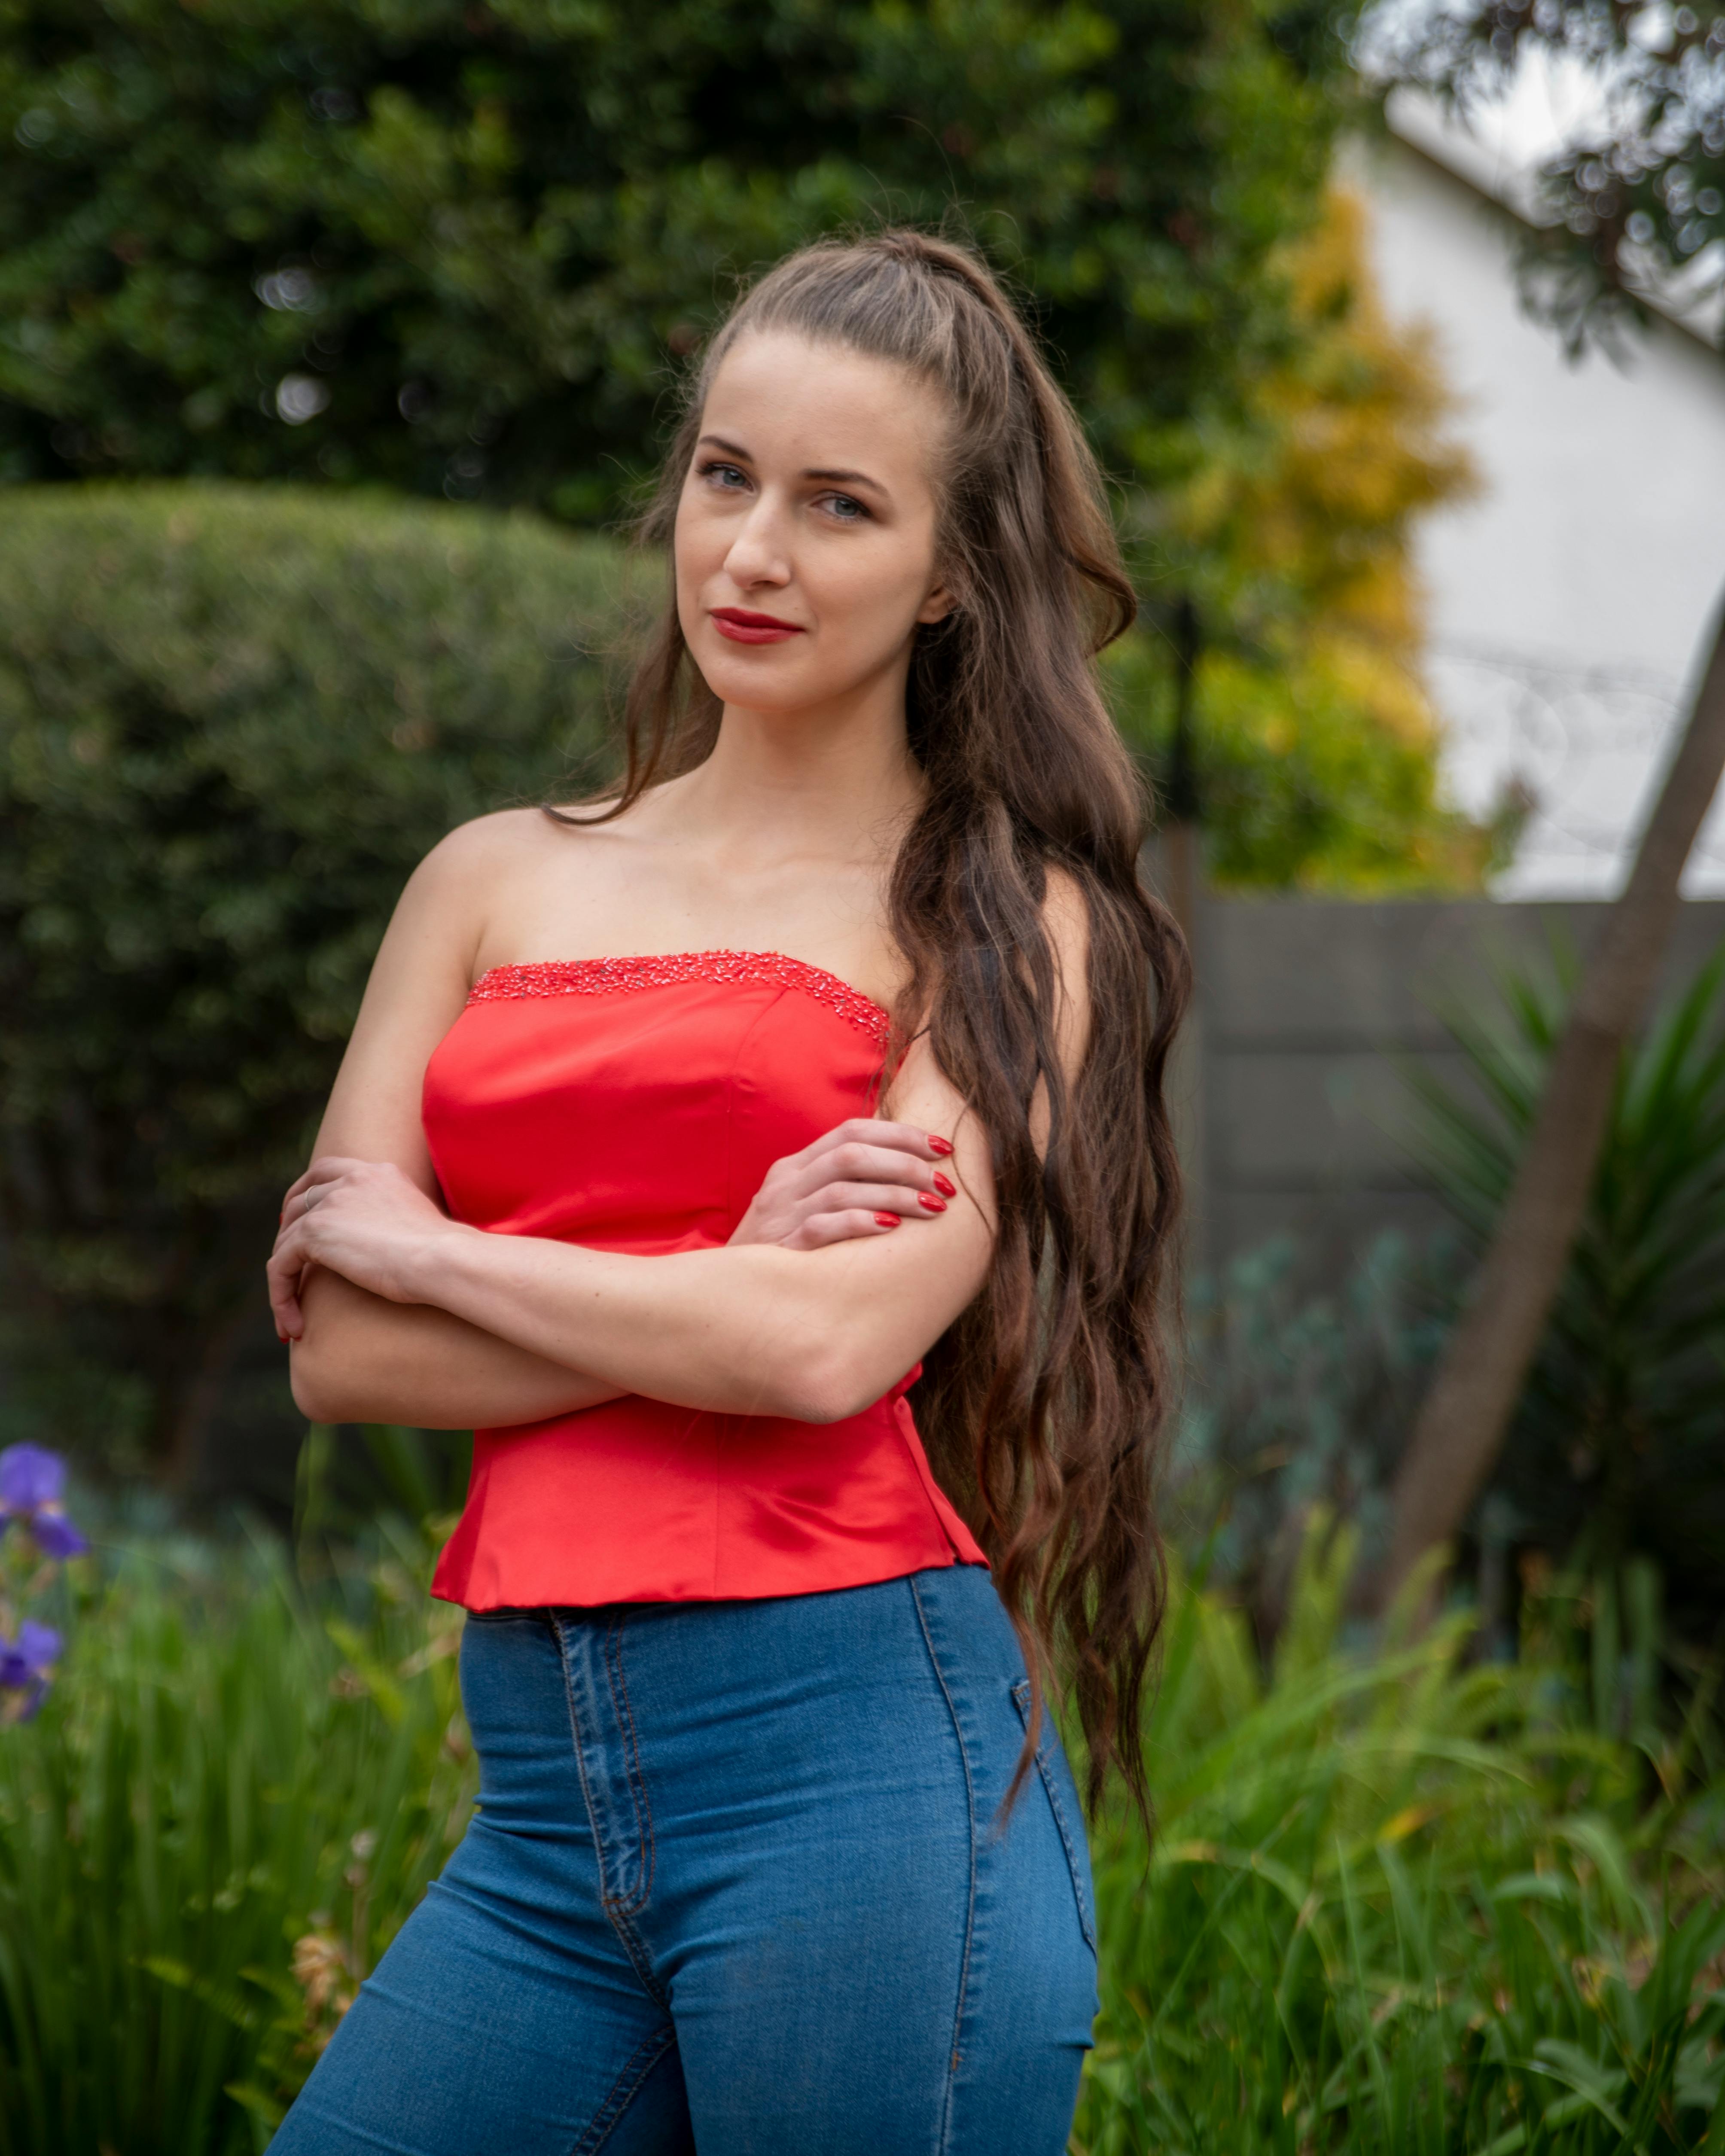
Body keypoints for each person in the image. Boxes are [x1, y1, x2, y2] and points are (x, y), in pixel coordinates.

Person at [264, 228, 1186, 2156]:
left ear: (950, 577)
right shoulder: (490, 875)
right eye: (722, 474)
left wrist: (454, 1252)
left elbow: (820, 1341)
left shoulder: (1013, 921)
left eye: (838, 505)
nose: (751, 553)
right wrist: (709, 1280)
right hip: (542, 1808)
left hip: (852, 1783)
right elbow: (342, 1348)